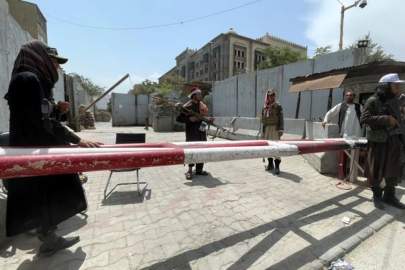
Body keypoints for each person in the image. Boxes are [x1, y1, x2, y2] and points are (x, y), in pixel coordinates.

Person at [4, 40, 101, 256]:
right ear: (39, 57)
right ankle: (48, 239)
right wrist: (76, 140)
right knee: (47, 193)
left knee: (46, 195)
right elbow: (42, 122)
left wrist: (58, 110)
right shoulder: (28, 80)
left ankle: (48, 237)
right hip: (35, 151)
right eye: (54, 61)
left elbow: (41, 116)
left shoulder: (34, 80)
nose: (57, 66)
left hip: (38, 147)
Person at [360, 73, 405, 210]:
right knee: (376, 171)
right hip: (378, 142)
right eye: (395, 85)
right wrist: (386, 119)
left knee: (393, 170)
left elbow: (399, 121)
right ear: (386, 87)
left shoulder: (395, 101)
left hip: (394, 142)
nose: (398, 88)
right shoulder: (372, 101)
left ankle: (389, 196)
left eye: (398, 85)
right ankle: (377, 196)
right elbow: (365, 119)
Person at [322, 90, 362, 181]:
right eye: (347, 95)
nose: (349, 96)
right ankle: (342, 175)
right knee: (343, 155)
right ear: (345, 96)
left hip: (356, 134)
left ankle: (352, 177)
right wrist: (325, 120)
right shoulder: (341, 105)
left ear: (354, 97)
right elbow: (330, 112)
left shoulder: (359, 107)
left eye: (351, 95)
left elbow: (366, 115)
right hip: (344, 134)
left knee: (354, 156)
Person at [176, 87, 212, 180]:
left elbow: (204, 117)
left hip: (202, 131)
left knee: (202, 149)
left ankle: (199, 170)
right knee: (192, 150)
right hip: (192, 132)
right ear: (194, 95)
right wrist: (189, 119)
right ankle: (190, 170)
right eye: (199, 94)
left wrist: (209, 120)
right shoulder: (187, 106)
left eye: (201, 94)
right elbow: (179, 119)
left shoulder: (202, 105)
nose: (201, 96)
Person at [261, 89, 284, 175]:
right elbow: (263, 120)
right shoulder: (264, 107)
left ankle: (277, 166)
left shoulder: (278, 106)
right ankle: (270, 164)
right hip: (266, 129)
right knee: (268, 147)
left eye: (272, 95)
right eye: (269, 95)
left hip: (275, 129)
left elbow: (281, 118)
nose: (271, 97)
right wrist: (263, 131)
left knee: (276, 147)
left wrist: (281, 129)